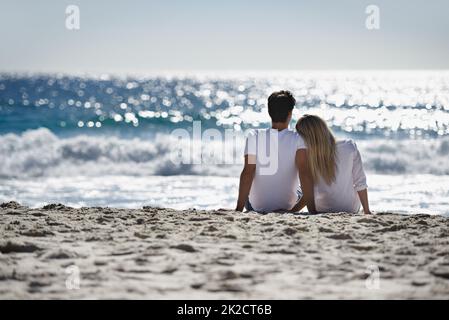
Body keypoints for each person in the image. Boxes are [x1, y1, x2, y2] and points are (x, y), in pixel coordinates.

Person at [235, 91, 315, 213]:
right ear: (290, 113)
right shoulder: (299, 138)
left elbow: (248, 172)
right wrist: (312, 212)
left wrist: (238, 210)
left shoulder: (254, 136)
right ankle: (295, 210)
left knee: (247, 192)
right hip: (288, 205)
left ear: (269, 112)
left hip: (256, 207)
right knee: (306, 186)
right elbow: (304, 174)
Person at [292, 114, 371, 214]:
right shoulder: (349, 146)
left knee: (298, 189)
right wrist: (367, 210)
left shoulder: (307, 155)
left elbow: (308, 190)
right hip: (350, 208)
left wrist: (292, 211)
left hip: (321, 208)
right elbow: (360, 182)